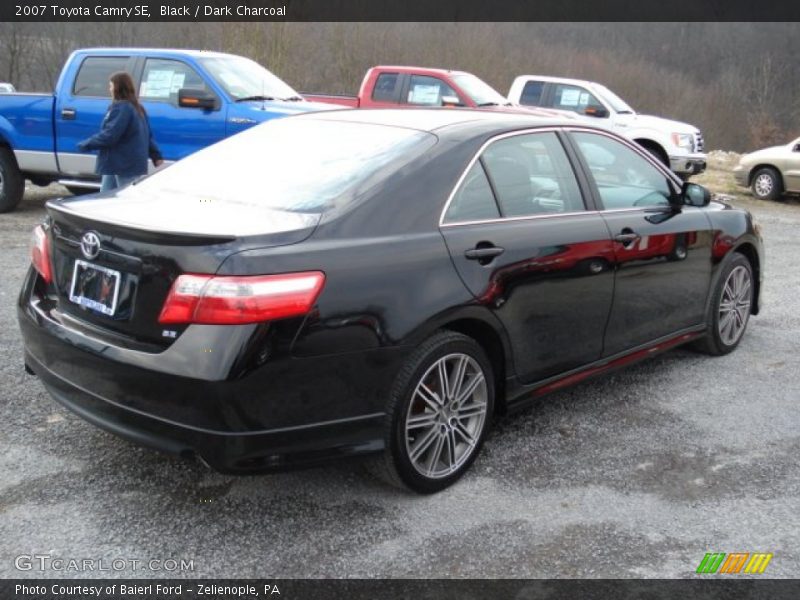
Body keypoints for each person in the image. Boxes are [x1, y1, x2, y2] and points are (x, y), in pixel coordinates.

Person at [77, 71, 163, 192]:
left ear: (118, 88)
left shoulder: (122, 108)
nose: (110, 89)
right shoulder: (137, 108)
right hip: (120, 163)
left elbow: (110, 135)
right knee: (106, 197)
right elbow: (147, 135)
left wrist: (86, 144)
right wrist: (156, 155)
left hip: (123, 163)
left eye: (111, 86)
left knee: (124, 199)